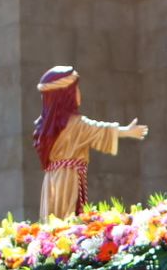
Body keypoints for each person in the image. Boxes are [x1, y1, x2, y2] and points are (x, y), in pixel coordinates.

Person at [31, 66, 147, 219]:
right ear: (66, 95)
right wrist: (126, 131)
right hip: (68, 180)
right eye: (76, 89)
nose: (79, 93)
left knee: (54, 221)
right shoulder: (75, 125)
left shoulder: (45, 126)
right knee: (68, 219)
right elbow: (98, 129)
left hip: (52, 180)